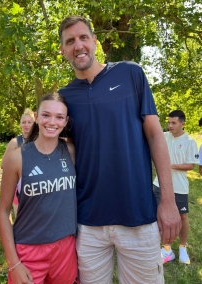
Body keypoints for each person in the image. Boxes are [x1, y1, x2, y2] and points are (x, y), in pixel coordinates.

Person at [58, 15, 181, 283]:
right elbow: (66, 155)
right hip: (88, 221)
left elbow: (155, 136)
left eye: (83, 37)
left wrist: (168, 202)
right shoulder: (64, 98)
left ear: (95, 41)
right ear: (63, 50)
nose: (78, 45)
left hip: (138, 215)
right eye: (70, 41)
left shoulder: (130, 73)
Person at [0, 93, 79, 284]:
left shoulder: (72, 152)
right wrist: (13, 263)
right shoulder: (16, 157)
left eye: (59, 117)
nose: (52, 122)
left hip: (66, 248)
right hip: (28, 249)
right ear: (36, 116)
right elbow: (3, 211)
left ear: (66, 121)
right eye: (46, 115)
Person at [153, 110, 199, 265]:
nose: (170, 125)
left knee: (182, 217)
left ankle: (182, 248)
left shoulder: (190, 141)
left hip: (179, 187)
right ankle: (166, 249)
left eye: (173, 123)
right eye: (169, 122)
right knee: (160, 216)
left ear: (182, 123)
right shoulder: (163, 137)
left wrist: (169, 165)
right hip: (159, 184)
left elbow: (190, 166)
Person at [1, 108, 35, 217]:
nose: (26, 125)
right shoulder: (15, 142)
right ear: (20, 124)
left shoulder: (40, 141)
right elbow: (3, 164)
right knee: (20, 218)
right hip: (19, 186)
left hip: (37, 185)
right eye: (24, 122)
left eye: (29, 122)